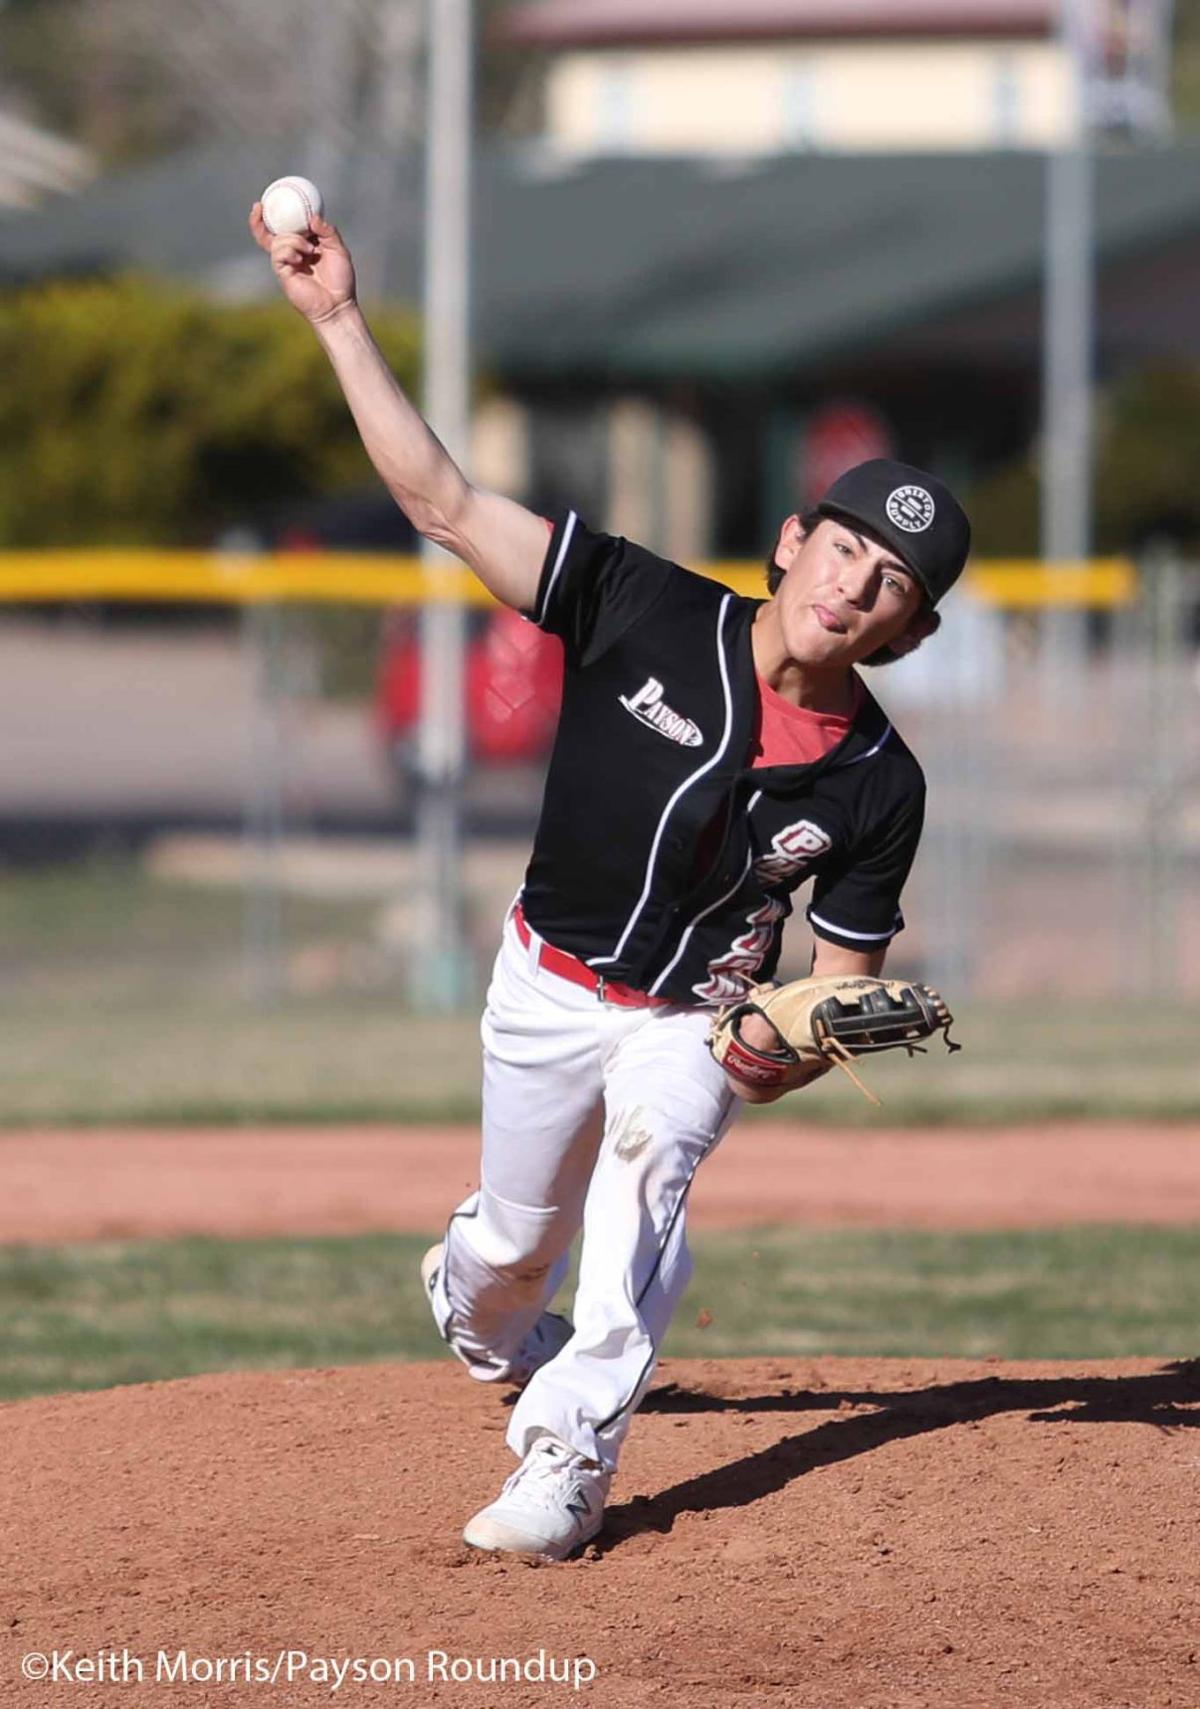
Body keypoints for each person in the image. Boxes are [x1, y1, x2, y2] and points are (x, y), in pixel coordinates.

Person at [251, 204, 971, 1561]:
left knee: (649, 1175)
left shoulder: (883, 783)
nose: (856, 585)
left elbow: (835, 994)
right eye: (846, 547)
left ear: (912, 631)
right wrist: (337, 318)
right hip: (543, 983)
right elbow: (442, 502)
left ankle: (568, 1460)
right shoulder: (641, 605)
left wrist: (777, 1048)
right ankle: (481, 1290)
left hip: (685, 1021)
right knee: (507, 1264)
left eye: (893, 584)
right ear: (791, 540)